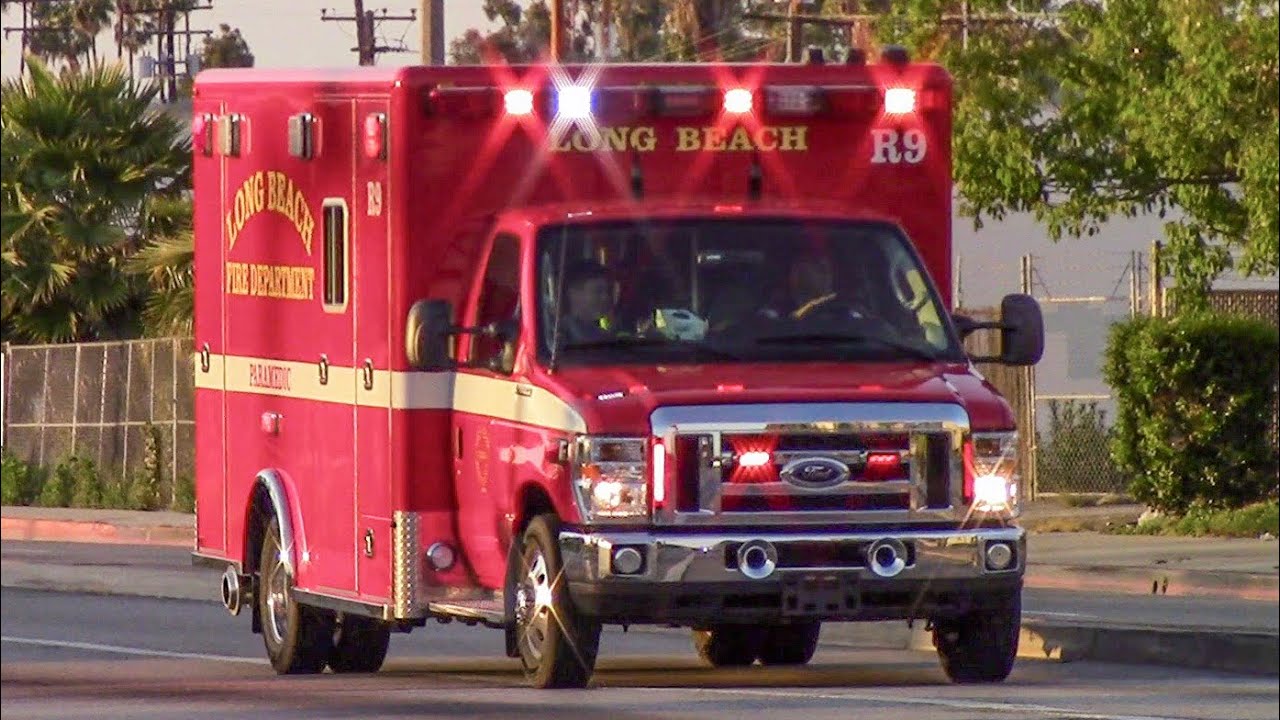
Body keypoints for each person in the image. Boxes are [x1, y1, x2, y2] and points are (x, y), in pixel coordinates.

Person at [557, 259, 618, 344]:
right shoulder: (562, 335)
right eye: (597, 291)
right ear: (574, 293)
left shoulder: (603, 324)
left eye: (607, 291)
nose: (605, 298)